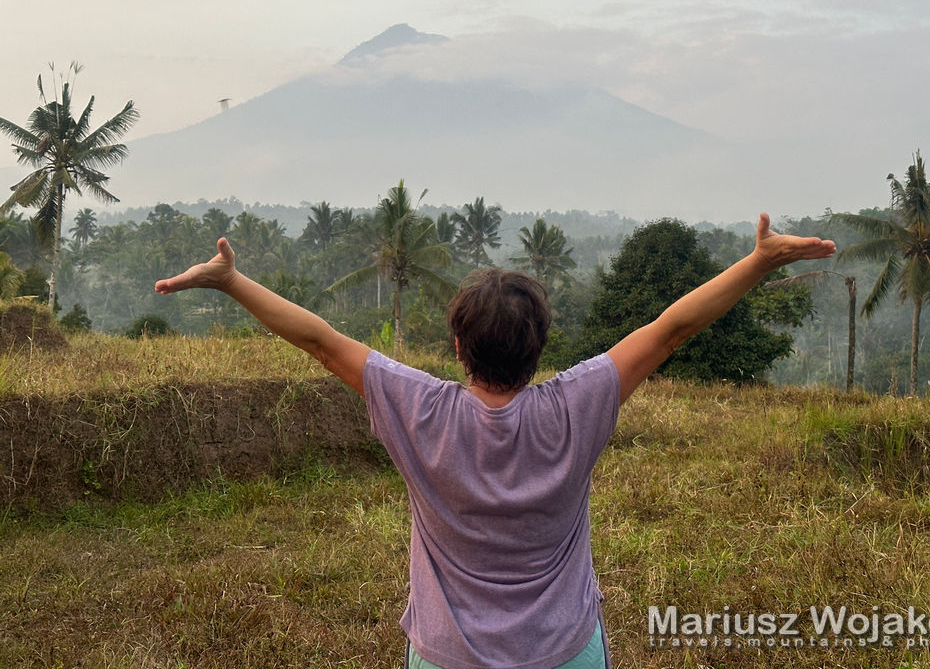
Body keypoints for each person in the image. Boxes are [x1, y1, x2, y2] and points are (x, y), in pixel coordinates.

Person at [155, 212, 835, 668]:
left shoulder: (418, 409)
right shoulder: (579, 403)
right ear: (539, 347)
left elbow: (319, 339)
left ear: (457, 345)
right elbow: (670, 330)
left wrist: (232, 281)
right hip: (563, 649)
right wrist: (758, 264)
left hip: (447, 653)